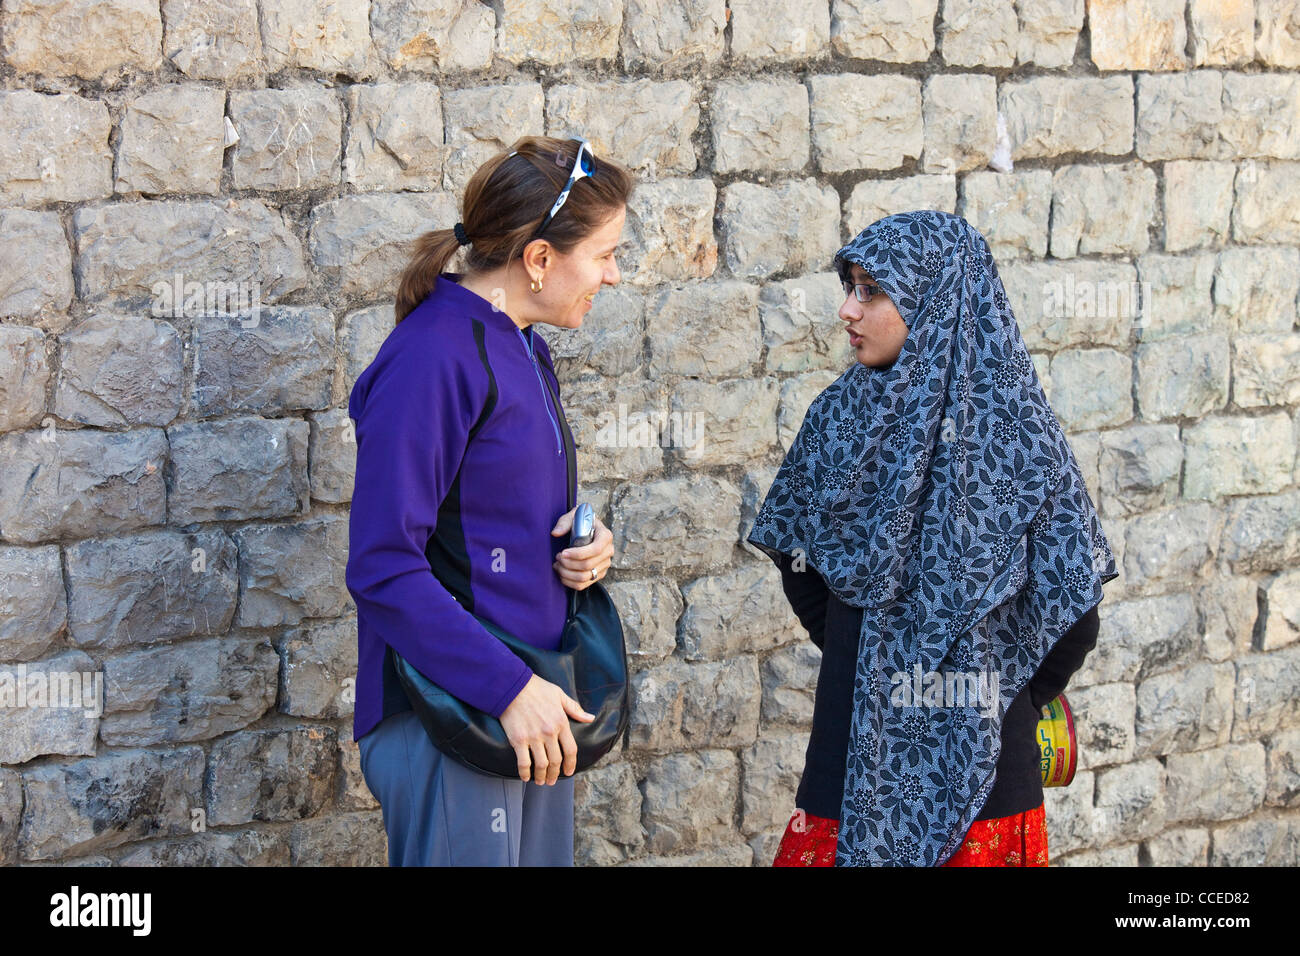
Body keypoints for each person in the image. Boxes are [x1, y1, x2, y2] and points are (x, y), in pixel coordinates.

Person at [747, 210, 1119, 867]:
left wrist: (1004, 695)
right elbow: (798, 560)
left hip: (986, 784)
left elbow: (1074, 608)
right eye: (849, 288)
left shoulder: (1016, 440)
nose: (847, 310)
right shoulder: (838, 422)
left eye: (871, 291)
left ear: (937, 300)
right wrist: (868, 663)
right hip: (848, 764)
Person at [345, 135, 634, 866]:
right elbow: (383, 564)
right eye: (603, 254)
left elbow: (484, 519)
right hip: (454, 715)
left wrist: (577, 543)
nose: (614, 274)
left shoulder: (522, 343)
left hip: (528, 705)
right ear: (539, 259)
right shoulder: (432, 358)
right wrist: (508, 689)